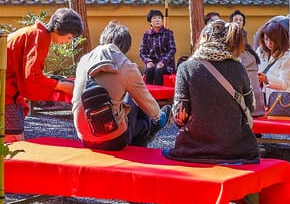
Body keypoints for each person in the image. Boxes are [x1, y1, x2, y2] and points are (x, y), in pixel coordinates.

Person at [0, 8, 83, 138]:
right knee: (6, 137)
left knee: (4, 133)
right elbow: (32, 77)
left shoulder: (37, 33)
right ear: (60, 30)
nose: (68, 42)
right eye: (69, 37)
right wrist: (61, 86)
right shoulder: (40, 36)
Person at [165, 20, 259, 165]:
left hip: (193, 148)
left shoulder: (186, 68)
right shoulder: (238, 67)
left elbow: (179, 116)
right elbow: (250, 106)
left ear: (206, 38)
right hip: (235, 148)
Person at [72, 20, 171, 150]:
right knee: (138, 100)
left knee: (129, 97)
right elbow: (146, 102)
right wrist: (159, 117)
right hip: (113, 140)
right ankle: (147, 132)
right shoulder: (126, 66)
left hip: (83, 137)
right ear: (126, 46)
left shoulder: (84, 60)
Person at [257, 20, 290, 93]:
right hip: (260, 96)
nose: (269, 43)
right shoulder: (260, 52)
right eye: (266, 39)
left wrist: (267, 79)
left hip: (278, 99)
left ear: (280, 39)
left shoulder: (287, 56)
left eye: (273, 40)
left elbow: (285, 84)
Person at [139, 9, 176, 86]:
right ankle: (148, 95)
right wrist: (148, 61)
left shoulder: (168, 33)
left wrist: (163, 62)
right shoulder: (146, 34)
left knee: (158, 70)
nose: (157, 20)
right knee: (149, 70)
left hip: (166, 64)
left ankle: (160, 96)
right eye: (155, 18)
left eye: (159, 18)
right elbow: (142, 52)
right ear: (150, 21)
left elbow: (172, 50)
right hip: (152, 62)